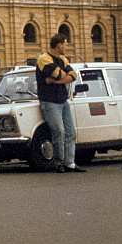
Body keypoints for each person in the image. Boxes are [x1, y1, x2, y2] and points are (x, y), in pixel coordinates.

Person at [36, 34, 85, 173]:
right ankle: (58, 162)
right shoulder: (43, 59)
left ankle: (70, 163)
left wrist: (56, 81)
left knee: (70, 132)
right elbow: (58, 73)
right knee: (59, 131)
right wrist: (62, 76)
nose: (66, 47)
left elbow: (73, 76)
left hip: (63, 100)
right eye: (65, 44)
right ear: (58, 45)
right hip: (49, 101)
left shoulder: (62, 59)